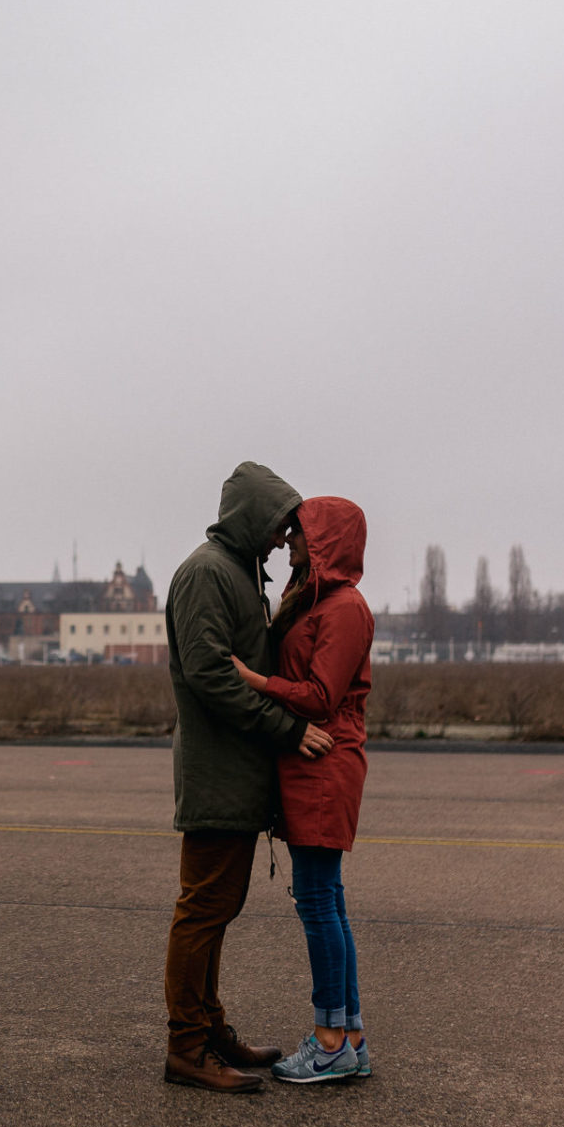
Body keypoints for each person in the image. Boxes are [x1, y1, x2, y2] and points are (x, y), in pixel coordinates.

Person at [162, 462, 336, 1093]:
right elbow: (211, 675)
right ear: (251, 520)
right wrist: (287, 729)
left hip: (235, 775)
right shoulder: (207, 573)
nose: (281, 539)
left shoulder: (238, 573)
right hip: (217, 776)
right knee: (203, 911)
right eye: (277, 526)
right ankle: (186, 1046)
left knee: (218, 908)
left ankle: (209, 1027)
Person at [229, 496, 375, 1084]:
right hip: (312, 760)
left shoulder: (344, 609)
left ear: (326, 541)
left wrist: (254, 680)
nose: (289, 542)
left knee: (318, 903)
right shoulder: (318, 600)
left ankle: (329, 1040)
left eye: (299, 534)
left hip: (325, 760)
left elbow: (320, 695)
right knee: (327, 900)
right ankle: (350, 1037)